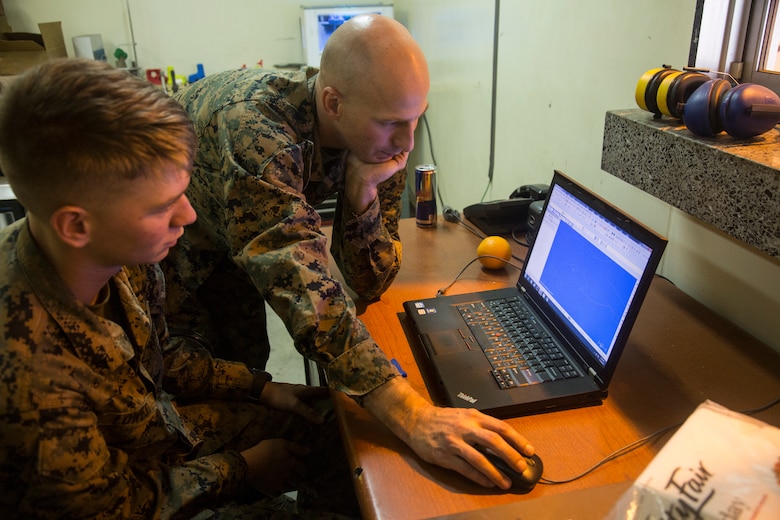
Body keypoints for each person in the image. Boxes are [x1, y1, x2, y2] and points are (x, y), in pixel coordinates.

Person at [162, 13, 536, 491]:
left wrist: (360, 192)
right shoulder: (257, 129)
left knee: (249, 369)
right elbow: (302, 287)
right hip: (178, 252)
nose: (408, 142)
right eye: (392, 124)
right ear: (333, 103)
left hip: (238, 240)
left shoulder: (378, 132)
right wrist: (411, 415)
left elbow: (367, 282)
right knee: (190, 398)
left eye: (416, 118)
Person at [0, 58, 358, 518]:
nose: (188, 217)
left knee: (339, 425)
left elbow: (158, 352)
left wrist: (261, 389)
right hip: (132, 493)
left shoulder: (117, 252)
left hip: (160, 435)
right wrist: (240, 468)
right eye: (162, 206)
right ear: (76, 225)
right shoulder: (28, 379)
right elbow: (114, 508)